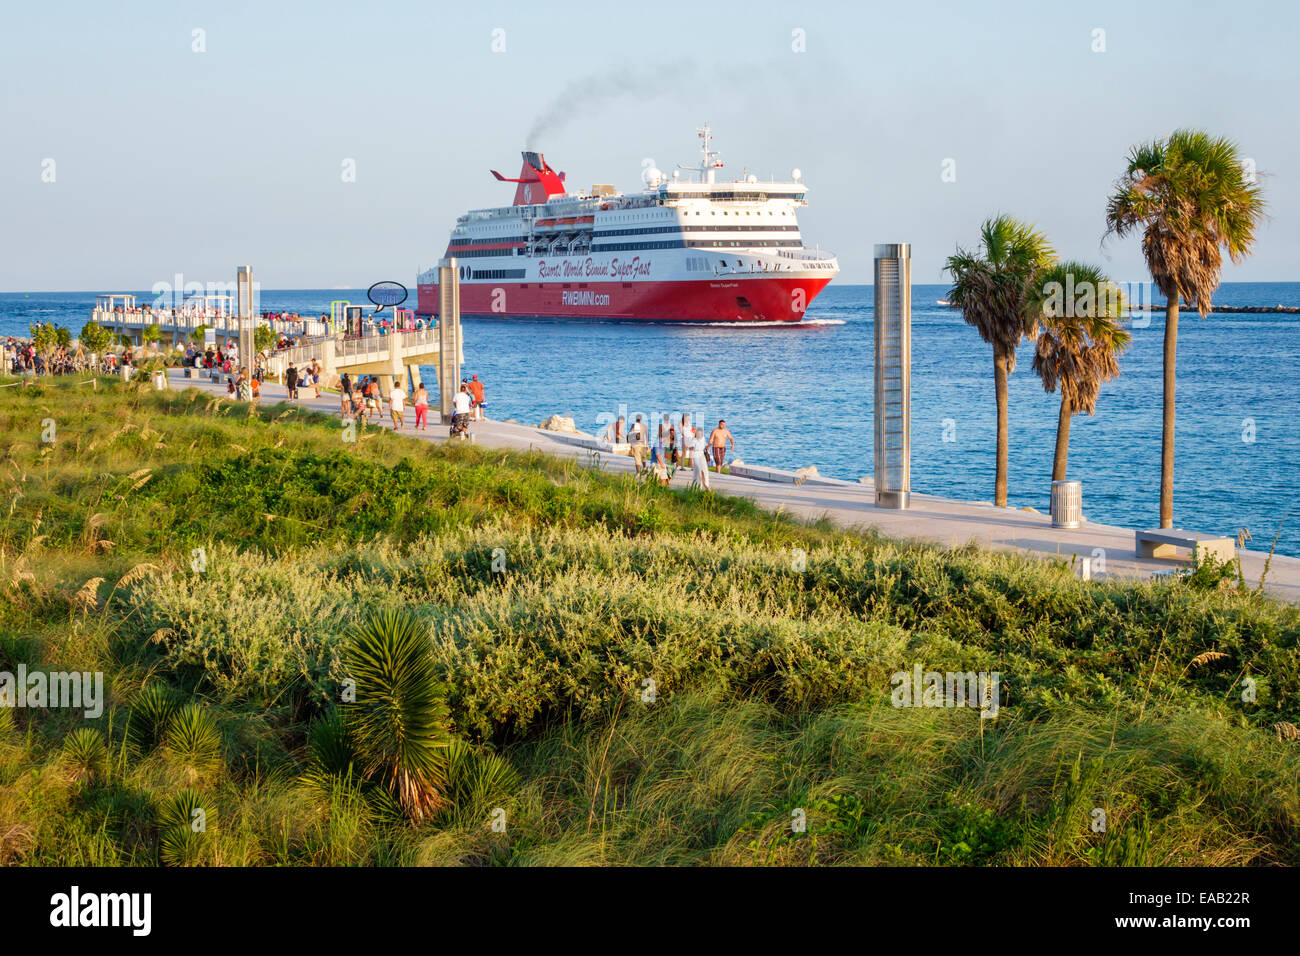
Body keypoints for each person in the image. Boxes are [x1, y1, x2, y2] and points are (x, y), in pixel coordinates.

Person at [691, 426, 711, 490]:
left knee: (705, 469)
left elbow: (704, 447)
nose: (700, 434)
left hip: (702, 454)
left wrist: (708, 446)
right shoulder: (694, 440)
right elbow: (691, 448)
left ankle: (706, 484)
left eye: (701, 433)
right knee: (698, 469)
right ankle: (697, 486)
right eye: (698, 433)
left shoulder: (703, 438)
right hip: (696, 455)